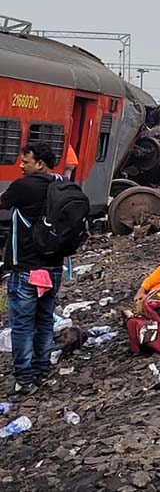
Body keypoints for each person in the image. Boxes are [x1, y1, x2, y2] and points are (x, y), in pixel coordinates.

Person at [1, 142, 67, 395]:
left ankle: (24, 379)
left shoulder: (23, 186)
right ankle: (41, 371)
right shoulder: (61, 183)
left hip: (26, 269)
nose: (21, 165)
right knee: (44, 320)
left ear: (39, 163)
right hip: (53, 268)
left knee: (22, 325)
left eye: (25, 161)